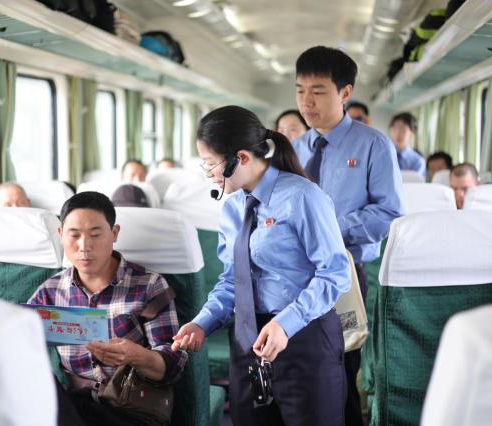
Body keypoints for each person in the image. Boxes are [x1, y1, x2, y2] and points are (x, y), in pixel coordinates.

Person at [172, 105, 350, 426]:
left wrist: (285, 324)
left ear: (240, 158)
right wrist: (202, 323)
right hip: (249, 340)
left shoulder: (302, 197)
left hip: (304, 336)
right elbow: (233, 281)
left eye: (211, 163)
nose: (208, 173)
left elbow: (334, 274)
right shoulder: (232, 209)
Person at [292, 45, 405, 426]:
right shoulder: (295, 149)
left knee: (342, 366)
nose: (306, 101)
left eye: (318, 91)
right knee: (301, 368)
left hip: (347, 273)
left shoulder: (373, 144)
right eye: (300, 90)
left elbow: (390, 213)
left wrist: (327, 230)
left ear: (345, 92)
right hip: (296, 273)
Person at [28, 191, 188, 426]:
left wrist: (136, 355)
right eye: (74, 235)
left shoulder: (148, 286)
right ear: (60, 235)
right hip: (74, 405)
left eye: (95, 234)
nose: (84, 246)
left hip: (130, 405)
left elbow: (174, 366)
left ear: (114, 233)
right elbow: (18, 341)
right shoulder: (50, 292)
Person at [389, 112, 426, 178]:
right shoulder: (384, 155)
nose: (397, 133)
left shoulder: (418, 161)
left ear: (412, 133)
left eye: (402, 129)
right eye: (394, 128)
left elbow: (416, 183)